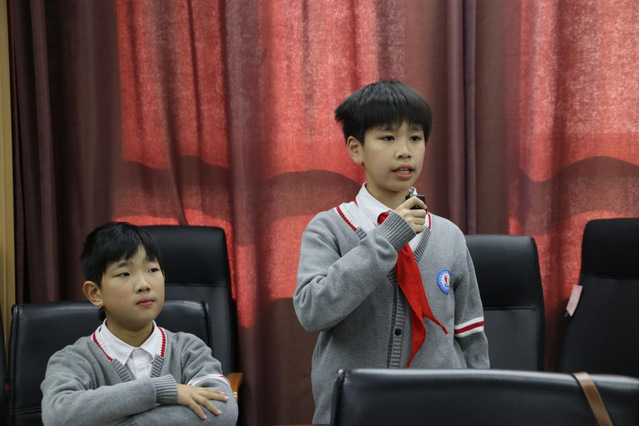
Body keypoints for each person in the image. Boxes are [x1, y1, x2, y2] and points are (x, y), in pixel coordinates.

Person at [293, 80, 490, 424]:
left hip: (439, 412)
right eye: (388, 138)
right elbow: (312, 311)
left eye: (415, 138)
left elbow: (470, 335)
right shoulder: (328, 228)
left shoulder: (449, 236)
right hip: (355, 412)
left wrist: (481, 408)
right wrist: (387, 238)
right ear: (356, 149)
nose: (405, 151)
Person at [41, 222, 238, 425]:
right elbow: (57, 416)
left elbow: (223, 410)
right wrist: (159, 391)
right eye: (124, 273)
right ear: (95, 293)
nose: (144, 284)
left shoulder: (188, 349)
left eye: (152, 269)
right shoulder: (73, 360)